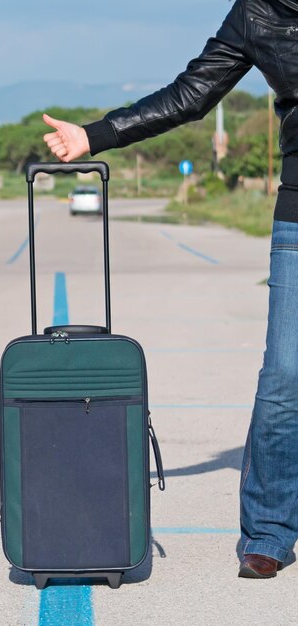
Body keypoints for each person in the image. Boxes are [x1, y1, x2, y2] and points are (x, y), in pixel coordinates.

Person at [43, 0, 298, 580]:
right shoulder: (257, 13)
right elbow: (192, 94)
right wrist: (96, 134)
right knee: (286, 376)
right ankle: (269, 532)